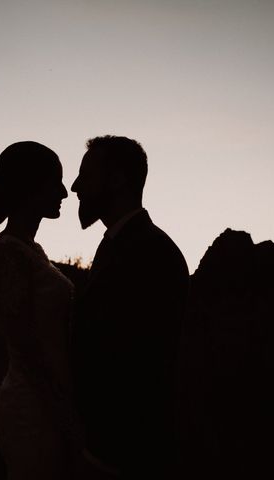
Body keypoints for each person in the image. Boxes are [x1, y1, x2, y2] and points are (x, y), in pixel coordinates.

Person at [70, 136, 189, 479]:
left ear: (118, 179)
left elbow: (135, 362)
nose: (76, 186)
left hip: (126, 453)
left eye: (86, 175)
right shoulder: (117, 244)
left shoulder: (152, 253)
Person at [0, 141, 76, 479]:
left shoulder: (31, 249)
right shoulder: (9, 252)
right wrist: (62, 410)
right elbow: (24, 344)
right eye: (56, 182)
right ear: (31, 187)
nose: (65, 193)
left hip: (49, 401)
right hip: (33, 408)